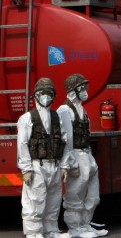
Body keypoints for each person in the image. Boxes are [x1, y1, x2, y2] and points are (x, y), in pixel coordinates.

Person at [17, 77, 69, 238]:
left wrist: (64, 166)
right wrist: (26, 169)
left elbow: (64, 141)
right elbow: (22, 144)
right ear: (35, 96)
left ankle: (51, 230)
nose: (46, 97)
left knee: (54, 201)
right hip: (36, 166)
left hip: (54, 165)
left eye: (49, 93)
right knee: (35, 201)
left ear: (54, 96)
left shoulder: (57, 117)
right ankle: (34, 233)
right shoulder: (27, 118)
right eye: (42, 93)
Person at [57, 74, 108, 238]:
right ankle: (75, 228)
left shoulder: (81, 108)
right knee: (75, 195)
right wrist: (68, 164)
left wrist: (90, 157)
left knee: (93, 195)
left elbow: (86, 133)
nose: (86, 90)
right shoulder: (64, 110)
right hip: (76, 156)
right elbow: (65, 139)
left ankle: (85, 225)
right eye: (82, 87)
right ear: (75, 90)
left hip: (87, 155)